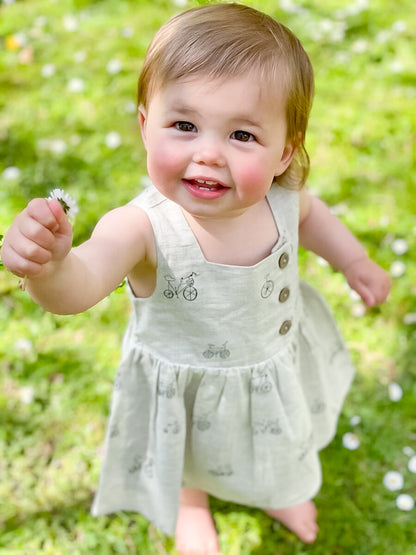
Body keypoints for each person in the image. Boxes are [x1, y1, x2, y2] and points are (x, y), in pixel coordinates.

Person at [1, 3, 391, 554]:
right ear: (144, 126)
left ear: (285, 150)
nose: (207, 154)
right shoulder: (140, 228)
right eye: (184, 126)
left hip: (270, 361)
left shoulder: (282, 199)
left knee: (276, 433)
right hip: (187, 386)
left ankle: (276, 487)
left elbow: (313, 217)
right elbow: (79, 287)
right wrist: (51, 268)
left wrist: (353, 261)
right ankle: (190, 502)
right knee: (188, 449)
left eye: (241, 135)